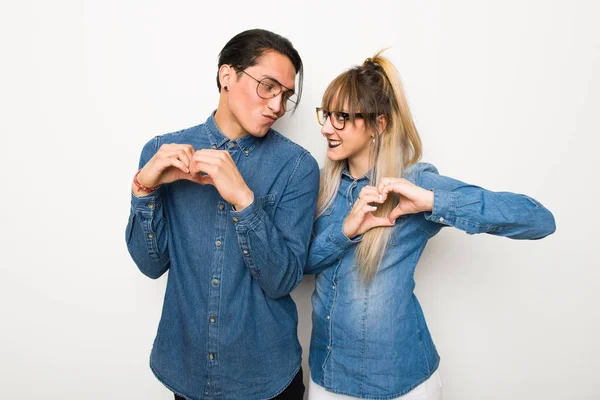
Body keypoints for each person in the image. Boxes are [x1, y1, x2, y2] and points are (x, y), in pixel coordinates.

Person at [305, 52, 556, 400]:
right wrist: (346, 231)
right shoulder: (322, 187)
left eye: (342, 118)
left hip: (401, 383)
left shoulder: (415, 182)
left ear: (379, 124)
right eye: (327, 114)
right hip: (327, 378)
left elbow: (538, 219)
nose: (326, 127)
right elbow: (299, 265)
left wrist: (433, 202)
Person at [125, 29, 319, 400]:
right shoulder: (162, 152)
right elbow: (151, 265)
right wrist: (144, 189)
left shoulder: (297, 167)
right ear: (227, 76)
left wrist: (244, 200)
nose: (277, 106)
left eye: (286, 95)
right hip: (187, 372)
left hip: (267, 379)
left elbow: (283, 281)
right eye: (268, 86)